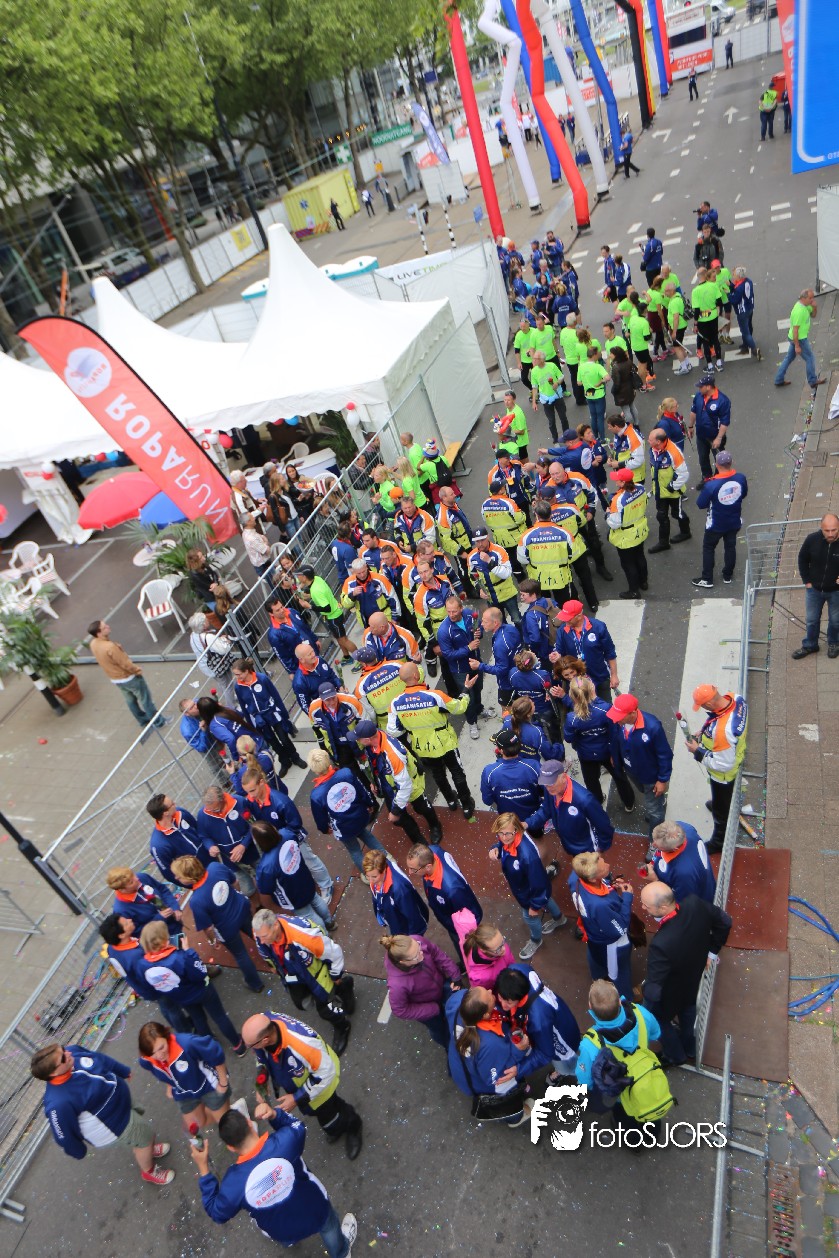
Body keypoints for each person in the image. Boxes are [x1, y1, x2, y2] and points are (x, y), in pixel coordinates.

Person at [193, 1103, 357, 1257]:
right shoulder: (286, 1141)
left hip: (280, 1229)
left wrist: (204, 1169)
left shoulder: (233, 1184)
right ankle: (341, 1253)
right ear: (250, 1124)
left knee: (287, 1236)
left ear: (230, 1147)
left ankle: (290, 1241)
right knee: (329, 1227)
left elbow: (217, 1212)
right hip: (315, 1208)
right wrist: (274, 1114)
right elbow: (297, 1126)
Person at [31, 1042, 175, 1185]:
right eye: (62, 1058)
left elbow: (99, 1058)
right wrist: (78, 1151)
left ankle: (146, 1148)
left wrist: (121, 1070)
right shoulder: (58, 1103)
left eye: (62, 1049)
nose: (68, 1053)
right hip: (114, 1124)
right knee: (145, 1138)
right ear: (53, 1073)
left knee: (143, 1135)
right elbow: (64, 1135)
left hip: (122, 1104)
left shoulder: (72, 1052)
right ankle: (149, 1171)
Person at [243, 1009, 362, 1161]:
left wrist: (296, 1098)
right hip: (306, 1085)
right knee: (325, 1114)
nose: (251, 1049)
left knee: (330, 1111)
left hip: (322, 1086)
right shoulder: (263, 1023)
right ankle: (335, 1126)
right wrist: (261, 1082)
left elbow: (326, 1074)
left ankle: (353, 1125)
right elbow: (261, 1058)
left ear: (265, 1040)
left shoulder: (302, 1045)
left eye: (251, 1046)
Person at [641, 882, 732, 1064]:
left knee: (659, 1019)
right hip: (693, 979)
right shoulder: (694, 903)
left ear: (663, 907)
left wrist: (644, 1010)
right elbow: (725, 922)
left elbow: (654, 988)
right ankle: (689, 1046)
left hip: (671, 992)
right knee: (688, 1011)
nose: (643, 908)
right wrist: (712, 953)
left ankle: (674, 1055)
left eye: (646, 906)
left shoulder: (660, 944)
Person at [252, 909, 355, 1055]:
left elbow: (334, 953)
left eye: (264, 936)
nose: (261, 941)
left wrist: (336, 975)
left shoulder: (304, 936)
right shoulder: (260, 932)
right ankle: (344, 987)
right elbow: (264, 951)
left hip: (317, 976)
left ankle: (343, 1026)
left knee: (325, 1010)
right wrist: (273, 965)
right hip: (295, 976)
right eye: (259, 937)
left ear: (275, 925)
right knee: (303, 1001)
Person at [138, 919, 246, 1053]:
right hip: (202, 991)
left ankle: (210, 1046)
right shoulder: (179, 958)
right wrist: (189, 951)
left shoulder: (142, 965)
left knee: (198, 1020)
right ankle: (238, 1045)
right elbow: (200, 973)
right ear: (163, 941)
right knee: (219, 1016)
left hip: (182, 998)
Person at [387, 661, 476, 816]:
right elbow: (459, 707)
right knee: (457, 772)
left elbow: (393, 730)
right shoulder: (435, 695)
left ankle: (451, 801)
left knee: (438, 774)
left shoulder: (395, 703)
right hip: (445, 742)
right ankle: (467, 805)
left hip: (422, 746)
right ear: (416, 675)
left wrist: (410, 725)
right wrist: (466, 689)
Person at [171, 855, 266, 990]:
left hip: (227, 928)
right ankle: (274, 956)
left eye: (179, 876)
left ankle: (256, 984)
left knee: (241, 955)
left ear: (190, 878)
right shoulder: (215, 867)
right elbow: (235, 883)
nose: (176, 878)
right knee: (257, 935)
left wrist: (213, 941)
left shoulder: (196, 901)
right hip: (242, 908)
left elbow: (208, 928)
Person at [445, 986, 533, 1127]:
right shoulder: (490, 1044)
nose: (491, 992)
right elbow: (496, 1078)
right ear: (485, 1015)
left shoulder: (457, 1000)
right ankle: (515, 1118)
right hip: (480, 1082)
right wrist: (519, 1050)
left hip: (460, 1066)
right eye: (488, 996)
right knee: (506, 1100)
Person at [575, 979, 663, 1113]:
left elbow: (585, 1078)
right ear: (620, 1001)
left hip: (620, 1090)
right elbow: (656, 1033)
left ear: (590, 1007)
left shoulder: (590, 1044)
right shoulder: (640, 1012)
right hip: (645, 1073)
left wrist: (589, 1088)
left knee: (624, 1113)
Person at [489, 811, 567, 960]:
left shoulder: (527, 855)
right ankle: (559, 918)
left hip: (528, 892)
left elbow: (538, 883)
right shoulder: (510, 838)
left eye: (507, 834)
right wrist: (495, 849)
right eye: (500, 833)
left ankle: (536, 940)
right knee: (547, 898)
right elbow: (501, 844)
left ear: (516, 830)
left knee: (530, 916)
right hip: (525, 887)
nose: (503, 837)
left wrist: (534, 906)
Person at [99, 913, 194, 1032]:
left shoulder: (112, 948)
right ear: (121, 935)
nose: (130, 919)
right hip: (154, 988)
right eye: (126, 923)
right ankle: (186, 1031)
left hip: (142, 988)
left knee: (166, 1008)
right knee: (172, 1008)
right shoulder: (135, 957)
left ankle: (180, 1027)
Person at [352, 720, 441, 844]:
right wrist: (374, 782)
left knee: (422, 807)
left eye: (358, 738)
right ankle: (419, 841)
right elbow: (374, 764)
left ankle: (435, 825)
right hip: (390, 784)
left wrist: (395, 811)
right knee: (400, 819)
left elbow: (405, 786)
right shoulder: (375, 739)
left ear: (368, 739)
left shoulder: (393, 755)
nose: (357, 740)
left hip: (410, 783)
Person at [685, 684, 748, 852]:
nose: (703, 709)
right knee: (721, 799)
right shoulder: (736, 699)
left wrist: (697, 751)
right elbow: (718, 719)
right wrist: (705, 732)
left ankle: (718, 841)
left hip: (723, 776)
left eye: (702, 706)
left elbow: (722, 765)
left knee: (721, 810)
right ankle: (720, 804)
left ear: (709, 704)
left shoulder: (723, 733)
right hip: (735, 756)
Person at [495, 965, 581, 1083]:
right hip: (560, 1014)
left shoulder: (539, 1020)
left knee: (567, 1063)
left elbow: (546, 1053)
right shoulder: (519, 971)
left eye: (509, 1003)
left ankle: (574, 1074)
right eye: (500, 997)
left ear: (520, 997)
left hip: (562, 1041)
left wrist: (519, 1069)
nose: (503, 1006)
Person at [137, 1021, 230, 1130]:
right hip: (183, 1092)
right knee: (198, 1123)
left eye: (161, 1048)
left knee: (225, 1123)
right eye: (153, 1053)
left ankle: (235, 1117)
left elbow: (214, 1052)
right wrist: (169, 1085)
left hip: (208, 1085)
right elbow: (160, 1071)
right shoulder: (146, 1060)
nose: (159, 1055)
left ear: (166, 1036)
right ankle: (228, 1113)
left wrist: (223, 1082)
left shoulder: (187, 1044)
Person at [88, 619, 171, 739]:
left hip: (116, 679)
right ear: (99, 633)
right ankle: (159, 722)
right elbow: (125, 663)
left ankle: (143, 721)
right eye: (104, 627)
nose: (108, 626)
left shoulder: (94, 643)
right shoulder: (110, 647)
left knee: (130, 701)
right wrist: (137, 670)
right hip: (129, 677)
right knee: (145, 700)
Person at [307, 747, 386, 872]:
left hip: (343, 827)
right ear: (328, 761)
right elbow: (361, 790)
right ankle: (386, 858)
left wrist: (324, 829)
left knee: (354, 850)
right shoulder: (346, 773)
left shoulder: (316, 795)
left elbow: (320, 818)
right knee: (366, 834)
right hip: (359, 815)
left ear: (315, 771)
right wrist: (369, 804)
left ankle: (367, 874)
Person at [568, 852, 634, 1000]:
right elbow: (620, 928)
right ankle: (626, 1000)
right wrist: (627, 897)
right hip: (611, 944)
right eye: (603, 868)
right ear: (593, 878)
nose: (607, 865)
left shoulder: (575, 877)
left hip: (593, 932)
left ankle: (597, 977)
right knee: (619, 972)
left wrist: (609, 883)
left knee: (595, 955)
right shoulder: (600, 905)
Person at [563, 677, 636, 810]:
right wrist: (615, 754)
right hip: (608, 752)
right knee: (620, 777)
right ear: (592, 689)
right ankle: (629, 803)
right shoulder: (605, 709)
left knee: (591, 781)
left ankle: (598, 800)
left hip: (586, 754)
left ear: (572, 696)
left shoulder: (572, 718)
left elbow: (568, 738)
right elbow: (615, 732)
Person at [607, 693, 673, 838]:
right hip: (632, 771)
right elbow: (615, 740)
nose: (616, 719)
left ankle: (656, 840)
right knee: (645, 792)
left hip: (650, 776)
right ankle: (658, 801)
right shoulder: (619, 722)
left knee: (655, 812)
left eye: (620, 716)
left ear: (632, 713)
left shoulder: (653, 727)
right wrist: (615, 757)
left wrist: (662, 780)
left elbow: (665, 755)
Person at [251, 821, 336, 932]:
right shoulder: (287, 834)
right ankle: (330, 922)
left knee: (308, 915)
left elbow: (265, 888)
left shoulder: (266, 866)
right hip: (305, 879)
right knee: (316, 900)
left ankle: (324, 934)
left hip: (292, 895)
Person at [380, 933, 461, 1047]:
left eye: (419, 947)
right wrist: (433, 1009)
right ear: (403, 962)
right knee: (439, 1030)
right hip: (427, 1008)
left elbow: (436, 953)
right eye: (416, 956)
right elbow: (400, 1010)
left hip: (442, 985)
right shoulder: (397, 985)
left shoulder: (417, 941)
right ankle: (449, 1046)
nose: (421, 953)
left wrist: (455, 975)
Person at [525, 758, 615, 856]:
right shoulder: (551, 790)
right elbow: (546, 810)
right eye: (545, 783)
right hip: (570, 845)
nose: (548, 787)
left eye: (551, 783)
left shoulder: (585, 800)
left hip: (588, 851)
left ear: (564, 777)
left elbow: (604, 826)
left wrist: (600, 850)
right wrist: (527, 823)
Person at [231, 657, 307, 772]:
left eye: (238, 674)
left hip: (272, 713)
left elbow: (276, 696)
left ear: (246, 671)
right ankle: (285, 761)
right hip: (259, 719)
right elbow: (243, 706)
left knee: (284, 738)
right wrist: (251, 725)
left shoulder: (262, 679)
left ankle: (295, 757)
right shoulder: (238, 686)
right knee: (272, 742)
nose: (236, 677)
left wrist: (284, 714)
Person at [405, 842, 483, 952]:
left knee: (468, 949)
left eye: (413, 869)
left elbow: (468, 916)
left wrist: (457, 929)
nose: (410, 872)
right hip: (449, 915)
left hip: (459, 926)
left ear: (428, 866)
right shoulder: (432, 851)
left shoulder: (452, 890)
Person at [436, 596, 493, 738]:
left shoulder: (469, 614)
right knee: (468, 698)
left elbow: (478, 628)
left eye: (454, 611)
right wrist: (468, 648)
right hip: (460, 670)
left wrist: (479, 632)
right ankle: (472, 722)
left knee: (478, 689)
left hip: (476, 662)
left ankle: (479, 710)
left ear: (461, 608)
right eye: (448, 611)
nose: (451, 614)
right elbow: (448, 655)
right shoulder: (444, 631)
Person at [692, 450, 748, 588]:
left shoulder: (711, 485)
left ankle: (707, 578)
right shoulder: (741, 478)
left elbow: (700, 504)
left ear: (716, 465)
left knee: (708, 548)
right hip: (734, 521)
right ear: (731, 462)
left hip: (715, 524)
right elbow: (743, 494)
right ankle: (727, 575)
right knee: (730, 547)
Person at [197, 783, 259, 895]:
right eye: (209, 809)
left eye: (216, 809)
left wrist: (243, 845)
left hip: (253, 852)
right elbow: (204, 836)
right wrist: (210, 846)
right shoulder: (203, 814)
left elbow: (254, 825)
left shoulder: (240, 802)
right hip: (231, 861)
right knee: (247, 891)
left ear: (223, 799)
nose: (212, 812)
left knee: (265, 878)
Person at [792, 513, 839, 659]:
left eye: (834, 530)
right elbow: (802, 559)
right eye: (827, 530)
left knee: (836, 621)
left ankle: (834, 643)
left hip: (836, 592)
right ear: (821, 528)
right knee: (811, 620)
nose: (830, 534)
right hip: (814, 590)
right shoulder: (812, 539)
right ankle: (810, 645)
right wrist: (807, 581)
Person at [553, 598, 618, 701]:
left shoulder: (598, 627)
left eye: (568, 618)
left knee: (605, 707)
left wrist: (614, 675)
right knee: (581, 707)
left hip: (599, 677)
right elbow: (559, 651)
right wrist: (556, 656)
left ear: (579, 616)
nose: (565, 620)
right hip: (576, 681)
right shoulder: (562, 631)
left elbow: (609, 652)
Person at [296, 564, 358, 663]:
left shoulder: (316, 590)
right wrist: (303, 593)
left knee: (343, 640)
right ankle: (347, 657)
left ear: (304, 577)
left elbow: (327, 608)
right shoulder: (316, 579)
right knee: (339, 638)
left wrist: (309, 606)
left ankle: (361, 658)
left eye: (299, 575)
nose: (297, 577)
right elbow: (318, 594)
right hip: (335, 612)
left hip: (333, 616)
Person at [480, 729, 544, 822]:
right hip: (533, 818)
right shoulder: (534, 766)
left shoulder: (489, 771)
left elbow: (487, 800)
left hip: (507, 820)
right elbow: (549, 792)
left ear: (501, 751)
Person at [646, 820, 717, 902]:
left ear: (675, 849)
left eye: (659, 846)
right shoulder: (684, 828)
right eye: (654, 839)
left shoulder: (683, 874)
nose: (653, 844)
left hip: (698, 900)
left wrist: (655, 880)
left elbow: (682, 902)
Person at [606, 467, 649, 599]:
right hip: (640, 529)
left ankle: (634, 590)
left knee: (628, 563)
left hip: (626, 535)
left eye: (617, 480)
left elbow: (614, 523)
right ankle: (643, 582)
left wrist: (607, 514)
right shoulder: (641, 488)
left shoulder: (618, 500)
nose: (615, 482)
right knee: (640, 556)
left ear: (623, 482)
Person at [363, 850, 429, 935]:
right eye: (367, 876)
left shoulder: (400, 890)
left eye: (374, 877)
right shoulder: (378, 874)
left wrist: (414, 938)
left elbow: (414, 918)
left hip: (405, 931)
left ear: (384, 870)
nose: (370, 881)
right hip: (395, 922)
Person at [146, 793, 207, 884]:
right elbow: (168, 874)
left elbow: (198, 828)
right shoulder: (158, 845)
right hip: (196, 877)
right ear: (165, 813)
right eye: (172, 804)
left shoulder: (180, 813)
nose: (175, 804)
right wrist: (193, 885)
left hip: (211, 859)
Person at [106, 865, 182, 937]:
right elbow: (136, 932)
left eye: (133, 875)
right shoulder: (121, 910)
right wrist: (159, 918)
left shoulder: (142, 877)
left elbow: (162, 889)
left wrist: (174, 907)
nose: (137, 879)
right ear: (122, 890)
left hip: (177, 919)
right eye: (131, 882)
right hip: (163, 935)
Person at [648, 427, 691, 553]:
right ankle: (663, 543)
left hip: (673, 492)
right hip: (660, 491)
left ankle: (686, 532)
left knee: (677, 513)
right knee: (661, 516)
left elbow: (683, 474)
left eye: (650, 440)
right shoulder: (654, 449)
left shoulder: (673, 452)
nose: (648, 441)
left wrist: (672, 487)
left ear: (658, 442)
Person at [467, 526, 522, 624]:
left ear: (487, 537)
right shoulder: (471, 556)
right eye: (477, 541)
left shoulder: (499, 551)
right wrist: (479, 589)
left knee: (517, 620)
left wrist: (489, 561)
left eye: (482, 540)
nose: (480, 544)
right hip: (490, 597)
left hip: (507, 594)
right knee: (498, 624)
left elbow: (507, 573)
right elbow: (472, 575)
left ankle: (522, 634)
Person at [308, 682, 367, 773]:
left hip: (357, 743)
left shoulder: (351, 701)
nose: (332, 702)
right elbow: (316, 730)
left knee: (367, 769)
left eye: (333, 698)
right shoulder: (314, 709)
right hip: (338, 748)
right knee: (350, 773)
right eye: (328, 700)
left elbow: (365, 721)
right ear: (321, 699)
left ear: (336, 693)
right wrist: (323, 748)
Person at [774, 289, 826, 390]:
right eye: (810, 298)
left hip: (796, 338)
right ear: (803, 298)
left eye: (813, 297)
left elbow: (813, 315)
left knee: (789, 358)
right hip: (799, 339)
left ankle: (779, 379)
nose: (812, 300)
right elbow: (795, 330)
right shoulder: (799, 311)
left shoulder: (806, 306)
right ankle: (812, 380)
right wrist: (797, 346)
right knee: (810, 358)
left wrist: (815, 307)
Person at [688, 373, 730, 485]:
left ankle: (718, 479)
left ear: (708, 387)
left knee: (719, 459)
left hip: (714, 436)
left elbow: (724, 422)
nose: (699, 388)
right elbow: (693, 412)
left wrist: (719, 438)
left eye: (701, 386)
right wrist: (690, 426)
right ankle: (706, 477)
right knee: (703, 458)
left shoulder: (722, 400)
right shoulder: (699, 396)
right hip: (701, 435)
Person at [292, 641, 342, 716]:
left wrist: (340, 686)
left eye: (312, 651)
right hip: (326, 710)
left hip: (338, 697)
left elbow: (331, 674)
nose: (313, 654)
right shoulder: (299, 682)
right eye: (309, 654)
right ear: (302, 659)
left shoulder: (319, 660)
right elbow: (305, 706)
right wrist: (319, 717)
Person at [529, 350, 567, 443]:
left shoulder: (552, 365)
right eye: (533, 358)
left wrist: (557, 383)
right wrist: (534, 402)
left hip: (557, 396)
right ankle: (555, 440)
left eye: (536, 359)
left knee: (563, 417)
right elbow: (534, 387)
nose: (534, 360)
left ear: (542, 360)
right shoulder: (533, 371)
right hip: (545, 399)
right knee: (551, 421)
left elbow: (561, 376)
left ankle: (567, 436)